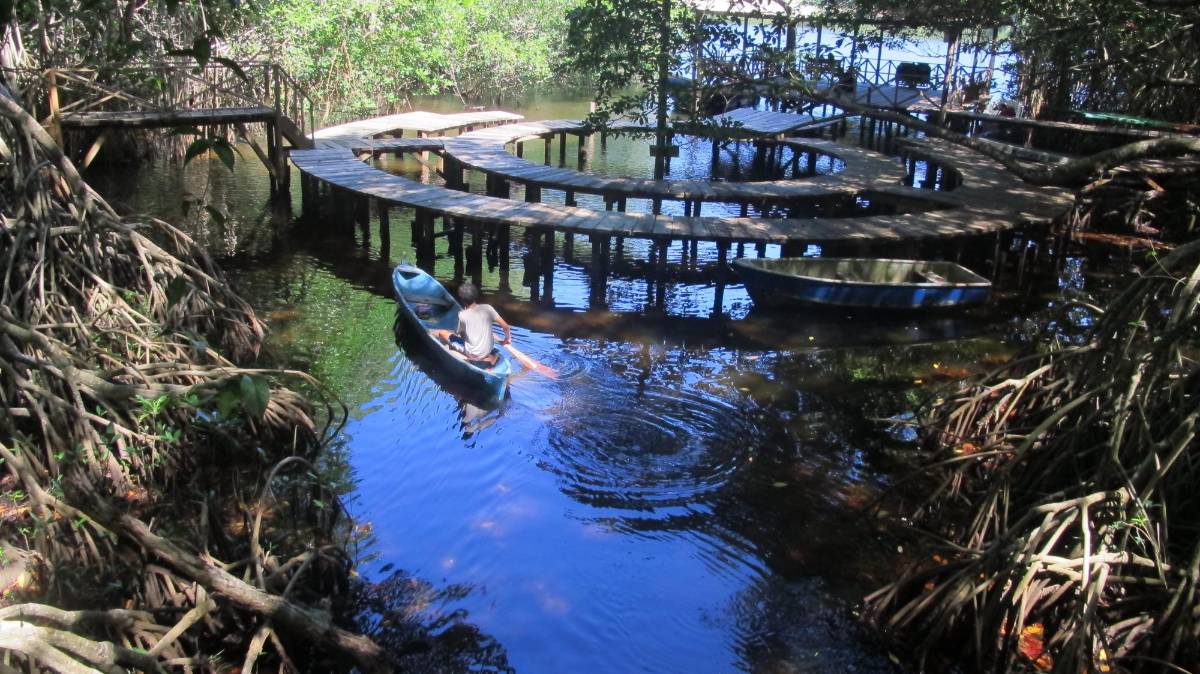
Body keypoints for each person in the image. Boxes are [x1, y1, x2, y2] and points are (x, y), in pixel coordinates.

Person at [431, 282, 511, 365]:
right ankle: (490, 357)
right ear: (476, 296)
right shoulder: (488, 308)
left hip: (473, 354)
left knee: (442, 332)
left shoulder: (462, 315)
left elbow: (461, 335)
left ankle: (449, 352)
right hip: (488, 350)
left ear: (461, 299)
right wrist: (507, 339)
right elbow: (506, 327)